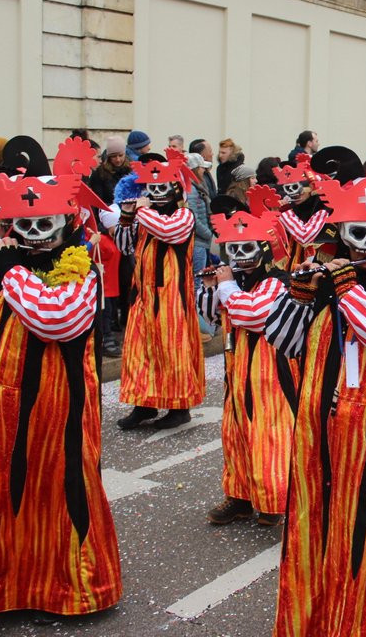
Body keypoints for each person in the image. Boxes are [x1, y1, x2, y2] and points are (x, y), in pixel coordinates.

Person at [0, 135, 121, 616]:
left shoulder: (81, 268)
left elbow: (55, 320)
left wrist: (12, 266)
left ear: (65, 224)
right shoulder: (12, 264)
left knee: (55, 488)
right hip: (3, 403)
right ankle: (2, 587)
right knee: (0, 485)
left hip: (57, 407)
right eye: (25, 223)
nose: (36, 233)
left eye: (45, 224)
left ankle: (64, 589)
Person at [265, 149, 366, 637]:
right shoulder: (324, 274)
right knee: (318, 512)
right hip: (319, 420)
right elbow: (285, 343)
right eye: (357, 233)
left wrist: (349, 291)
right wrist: (297, 298)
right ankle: (315, 617)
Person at [199, 185, 296, 526]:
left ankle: (272, 499)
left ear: (264, 249)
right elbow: (211, 314)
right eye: (233, 249)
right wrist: (212, 287)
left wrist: (226, 287)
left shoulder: (278, 281)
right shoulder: (233, 277)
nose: (239, 255)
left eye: (247, 248)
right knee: (235, 431)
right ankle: (239, 496)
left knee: (267, 431)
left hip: (269, 372)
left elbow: (253, 314)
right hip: (236, 368)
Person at [114, 148, 205, 430]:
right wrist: (127, 217)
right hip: (142, 295)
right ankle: (144, 404)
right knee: (140, 351)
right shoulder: (147, 215)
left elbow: (168, 232)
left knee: (171, 351)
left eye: (161, 187)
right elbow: (124, 245)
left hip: (171, 298)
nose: (155, 193)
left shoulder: (183, 215)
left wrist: (142, 211)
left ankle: (180, 407)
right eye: (151, 187)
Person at [186, 152, 217, 338]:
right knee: (196, 283)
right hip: (198, 241)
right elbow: (194, 218)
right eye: (201, 167)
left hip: (201, 241)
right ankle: (196, 325)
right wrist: (208, 233)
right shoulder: (191, 191)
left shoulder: (197, 188)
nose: (204, 170)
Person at [87, 135, 130, 207]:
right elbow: (98, 201)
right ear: (109, 157)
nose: (118, 159)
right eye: (114, 156)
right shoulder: (100, 173)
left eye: (120, 155)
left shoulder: (131, 170)